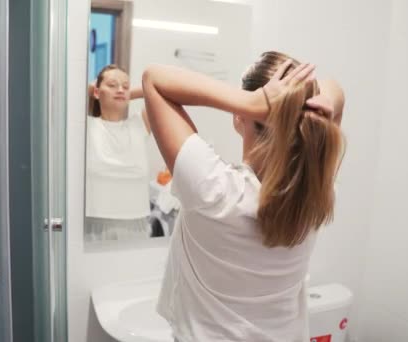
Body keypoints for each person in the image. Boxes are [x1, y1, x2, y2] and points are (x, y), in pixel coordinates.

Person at [141, 51, 345, 341]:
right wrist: (297, 105)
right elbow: (336, 90)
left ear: (242, 115)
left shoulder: (215, 190)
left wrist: (249, 102)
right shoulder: (318, 190)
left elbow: (154, 78)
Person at [86, 64, 152, 240]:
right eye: (113, 85)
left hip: (137, 226)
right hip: (94, 226)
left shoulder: (139, 125)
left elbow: (163, 92)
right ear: (98, 92)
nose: (121, 89)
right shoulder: (87, 126)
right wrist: (94, 90)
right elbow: (65, 92)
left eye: (126, 86)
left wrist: (125, 93)